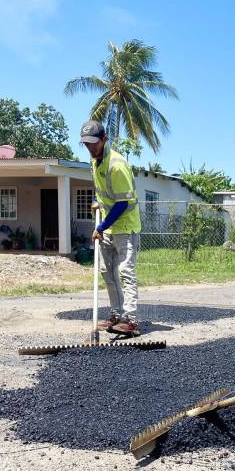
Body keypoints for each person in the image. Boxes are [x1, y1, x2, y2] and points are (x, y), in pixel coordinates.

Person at [80, 120, 143, 336]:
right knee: (107, 272)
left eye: (93, 144)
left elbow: (123, 203)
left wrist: (101, 225)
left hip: (125, 226)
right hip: (107, 227)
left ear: (104, 139)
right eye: (86, 144)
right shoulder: (95, 162)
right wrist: (97, 203)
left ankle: (131, 320)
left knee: (126, 272)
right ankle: (116, 315)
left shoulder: (117, 165)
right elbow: (103, 191)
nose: (90, 148)